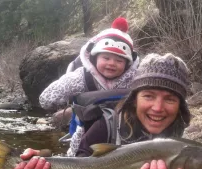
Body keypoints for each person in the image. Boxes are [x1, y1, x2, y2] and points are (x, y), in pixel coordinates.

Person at [11, 53, 202, 169]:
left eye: (170, 99)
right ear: (134, 99)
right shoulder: (105, 128)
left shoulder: (180, 143)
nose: (158, 108)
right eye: (148, 96)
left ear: (180, 107)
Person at [39, 17, 139, 156]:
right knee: (77, 163)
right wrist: (63, 102)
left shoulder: (135, 80)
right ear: (94, 57)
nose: (111, 63)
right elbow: (45, 99)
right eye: (106, 58)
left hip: (124, 139)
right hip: (83, 138)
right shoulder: (80, 77)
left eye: (119, 60)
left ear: (128, 64)